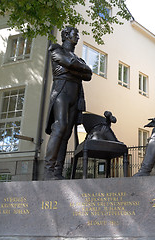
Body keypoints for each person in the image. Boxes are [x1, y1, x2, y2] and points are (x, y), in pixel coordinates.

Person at [44, 26, 92, 180]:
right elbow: (70, 63)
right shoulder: (56, 49)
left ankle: (57, 172)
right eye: (75, 34)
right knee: (60, 127)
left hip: (75, 95)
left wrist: (73, 69)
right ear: (65, 35)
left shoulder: (79, 58)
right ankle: (48, 170)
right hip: (61, 92)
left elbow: (89, 74)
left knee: (67, 134)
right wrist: (77, 70)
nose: (77, 37)